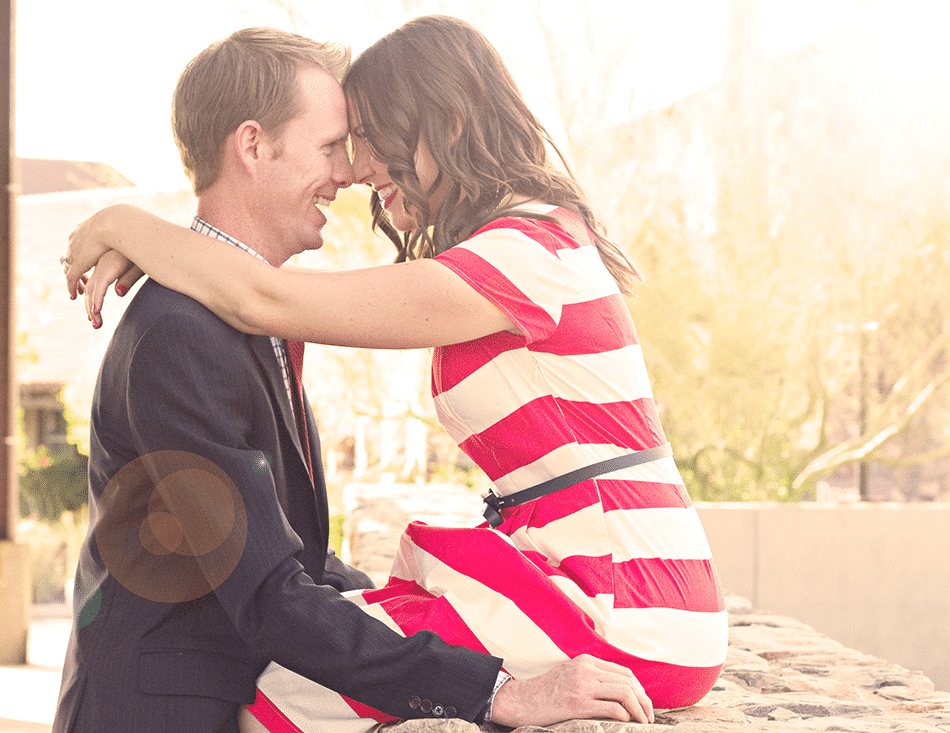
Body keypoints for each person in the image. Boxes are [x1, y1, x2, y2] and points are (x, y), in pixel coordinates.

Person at [54, 24, 656, 733]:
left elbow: (293, 558)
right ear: (252, 145)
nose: (348, 174)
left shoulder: (242, 317)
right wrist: (491, 691)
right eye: (330, 147)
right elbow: (270, 595)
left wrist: (406, 614)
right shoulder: (181, 335)